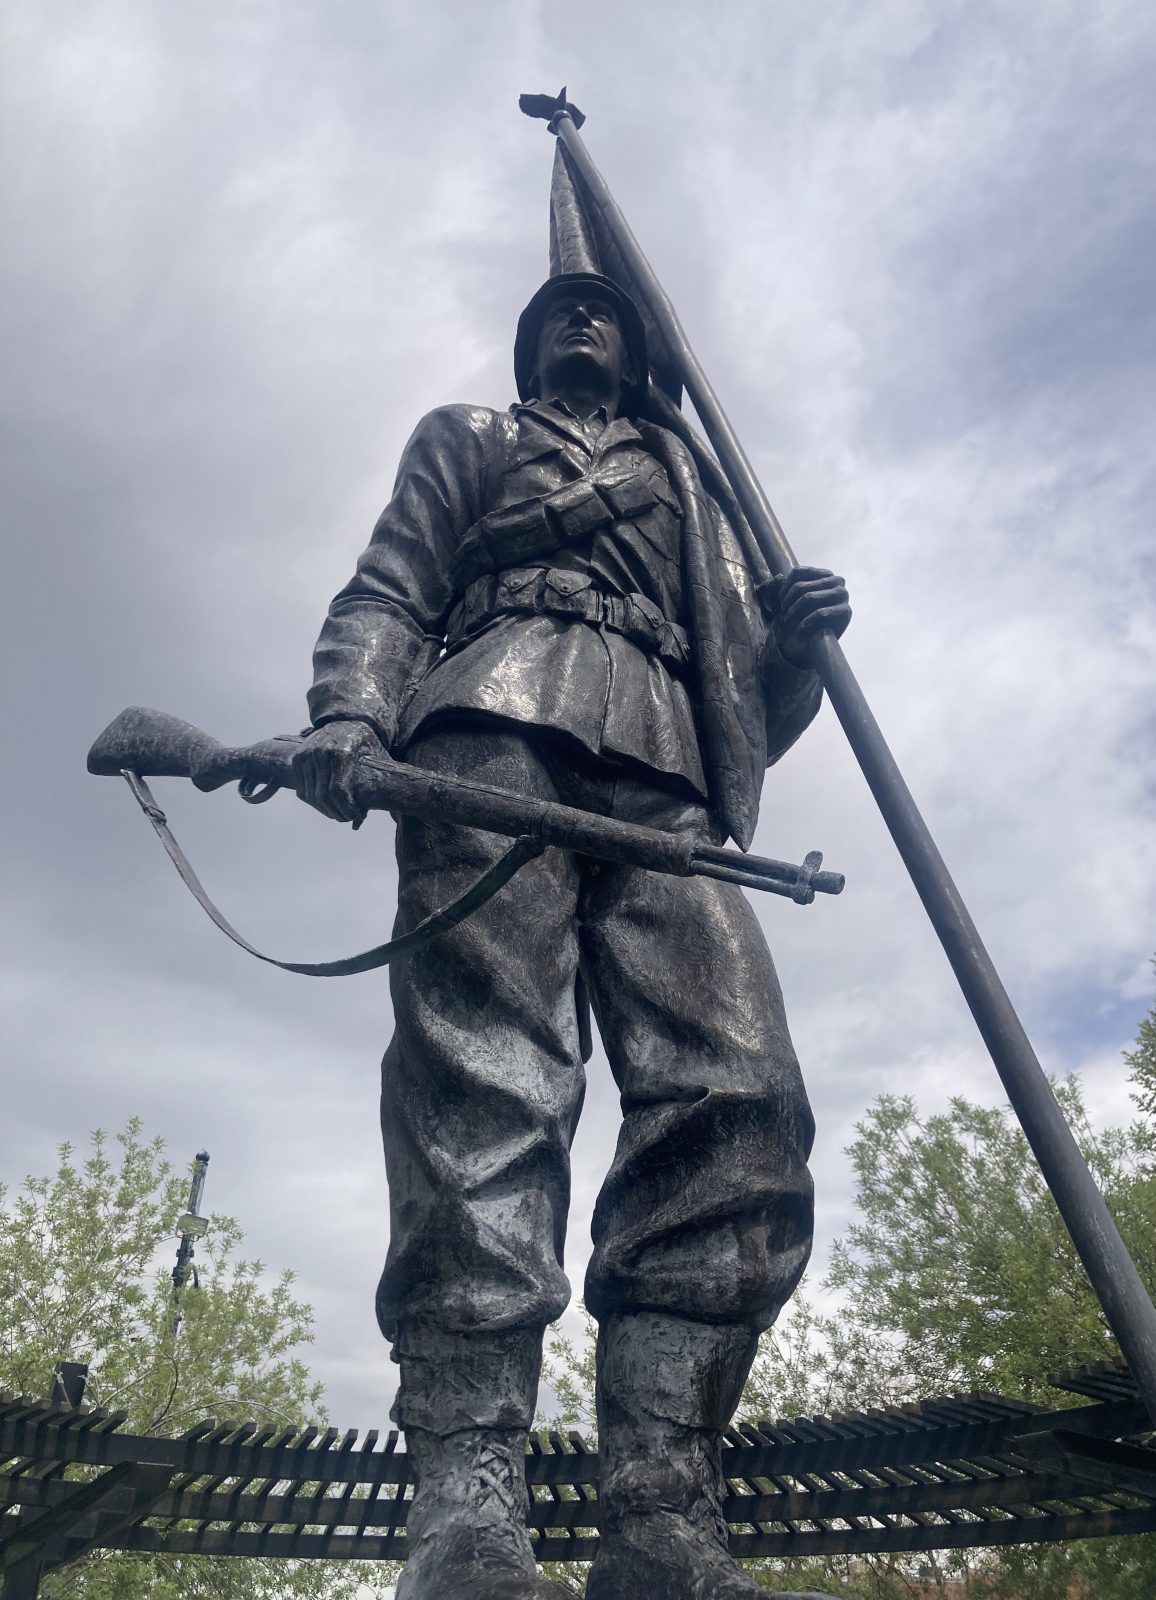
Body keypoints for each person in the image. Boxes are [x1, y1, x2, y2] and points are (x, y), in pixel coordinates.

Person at [295, 271, 849, 1600]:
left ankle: (663, 1507)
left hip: (662, 775)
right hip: (485, 731)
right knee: (481, 1084)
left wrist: (799, 654)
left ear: (641, 345)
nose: (582, 320)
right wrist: (348, 713)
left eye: (604, 309)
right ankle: (467, 1504)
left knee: (743, 1099)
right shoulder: (470, 439)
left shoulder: (693, 493)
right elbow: (391, 588)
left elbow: (739, 700)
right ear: (532, 342)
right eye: (560, 309)